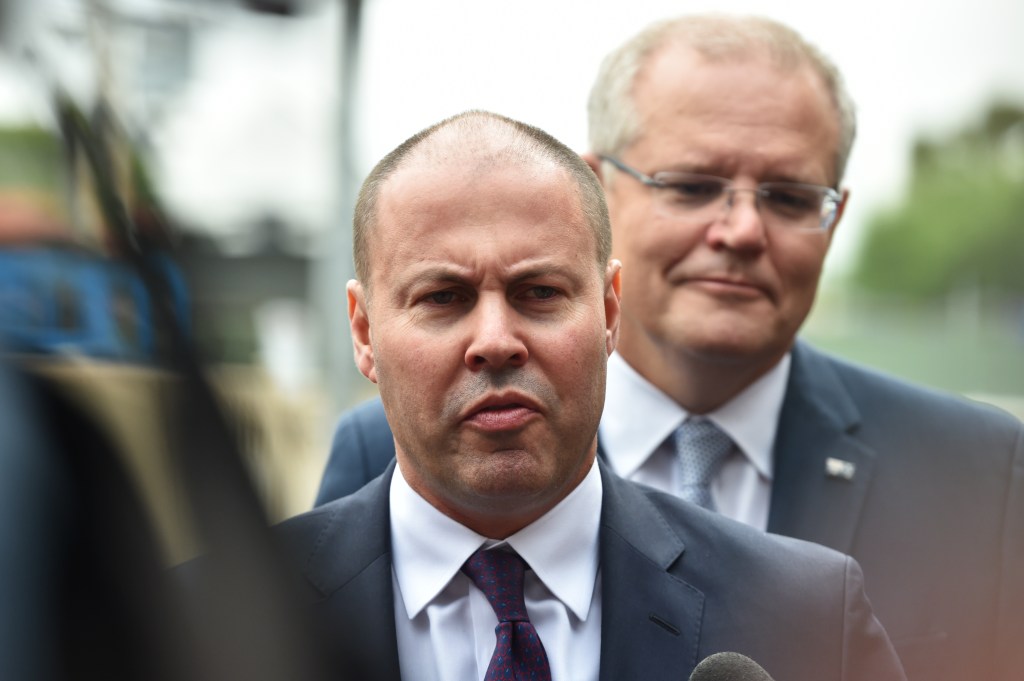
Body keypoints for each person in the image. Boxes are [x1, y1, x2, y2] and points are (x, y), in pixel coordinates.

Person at [312, 15, 1024, 681]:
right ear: (598, 191)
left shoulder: (982, 477)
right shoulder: (379, 452)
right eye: (691, 185)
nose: (742, 230)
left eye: (787, 196)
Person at [278, 110, 904, 680]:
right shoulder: (206, 618)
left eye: (540, 292)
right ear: (364, 331)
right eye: (443, 297)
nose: (496, 341)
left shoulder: (808, 616)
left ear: (609, 312)